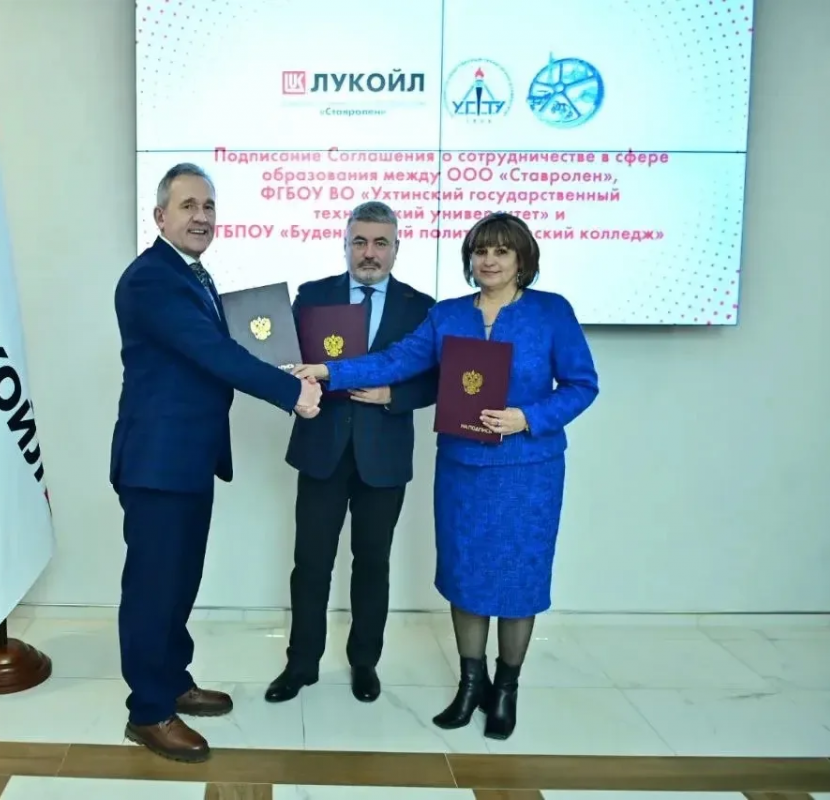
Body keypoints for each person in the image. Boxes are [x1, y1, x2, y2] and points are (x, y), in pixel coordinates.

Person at [294, 212, 598, 740]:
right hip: (462, 471)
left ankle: (505, 690)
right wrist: (329, 370)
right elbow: (395, 361)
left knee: (518, 579)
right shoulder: (448, 315)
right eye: (480, 251)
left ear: (522, 259)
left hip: (528, 473)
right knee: (465, 575)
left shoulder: (552, 312)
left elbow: (582, 385)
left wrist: (527, 418)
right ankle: (470, 685)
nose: (489, 260)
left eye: (501, 251)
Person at [111, 163, 322, 763]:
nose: (201, 216)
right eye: (188, 206)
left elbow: (225, 347)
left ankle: (173, 680)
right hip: (157, 462)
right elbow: (213, 351)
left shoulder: (192, 275)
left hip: (187, 458)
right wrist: (291, 391)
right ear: (160, 217)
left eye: (208, 206)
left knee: (179, 581)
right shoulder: (152, 279)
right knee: (153, 587)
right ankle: (148, 711)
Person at [265, 201, 437, 706]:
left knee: (373, 563)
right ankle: (301, 664)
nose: (369, 253)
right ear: (345, 244)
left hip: (384, 455)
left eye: (380, 243)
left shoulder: (420, 306)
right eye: (359, 241)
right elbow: (285, 359)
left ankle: (365, 662)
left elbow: (436, 380)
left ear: (397, 248)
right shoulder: (313, 296)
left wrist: (393, 395)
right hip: (322, 449)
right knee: (310, 563)